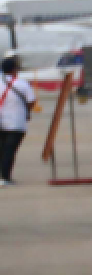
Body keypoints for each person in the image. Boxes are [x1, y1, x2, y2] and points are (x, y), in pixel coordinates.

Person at [0, 57, 37, 186]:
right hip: (16, 123)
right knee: (9, 150)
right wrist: (26, 111)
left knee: (2, 149)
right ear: (14, 69)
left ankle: (3, 176)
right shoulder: (22, 84)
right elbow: (31, 101)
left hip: (1, 122)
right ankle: (5, 177)